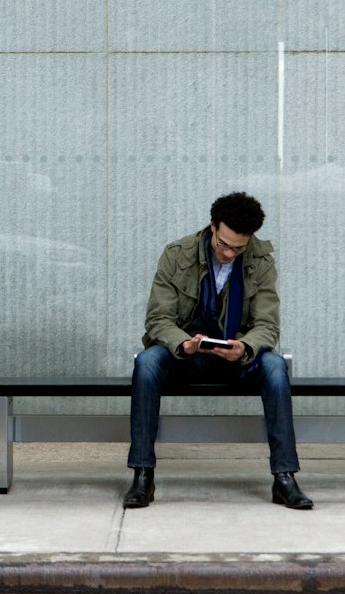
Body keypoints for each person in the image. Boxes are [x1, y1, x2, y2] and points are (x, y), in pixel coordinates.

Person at [124, 191, 312, 510]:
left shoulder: (260, 261)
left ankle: (284, 478)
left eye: (237, 248)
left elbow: (268, 324)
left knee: (276, 367)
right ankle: (143, 474)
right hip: (187, 353)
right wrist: (183, 343)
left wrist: (246, 347)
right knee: (147, 362)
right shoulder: (177, 254)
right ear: (212, 227)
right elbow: (158, 319)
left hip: (237, 355)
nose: (228, 253)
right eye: (223, 244)